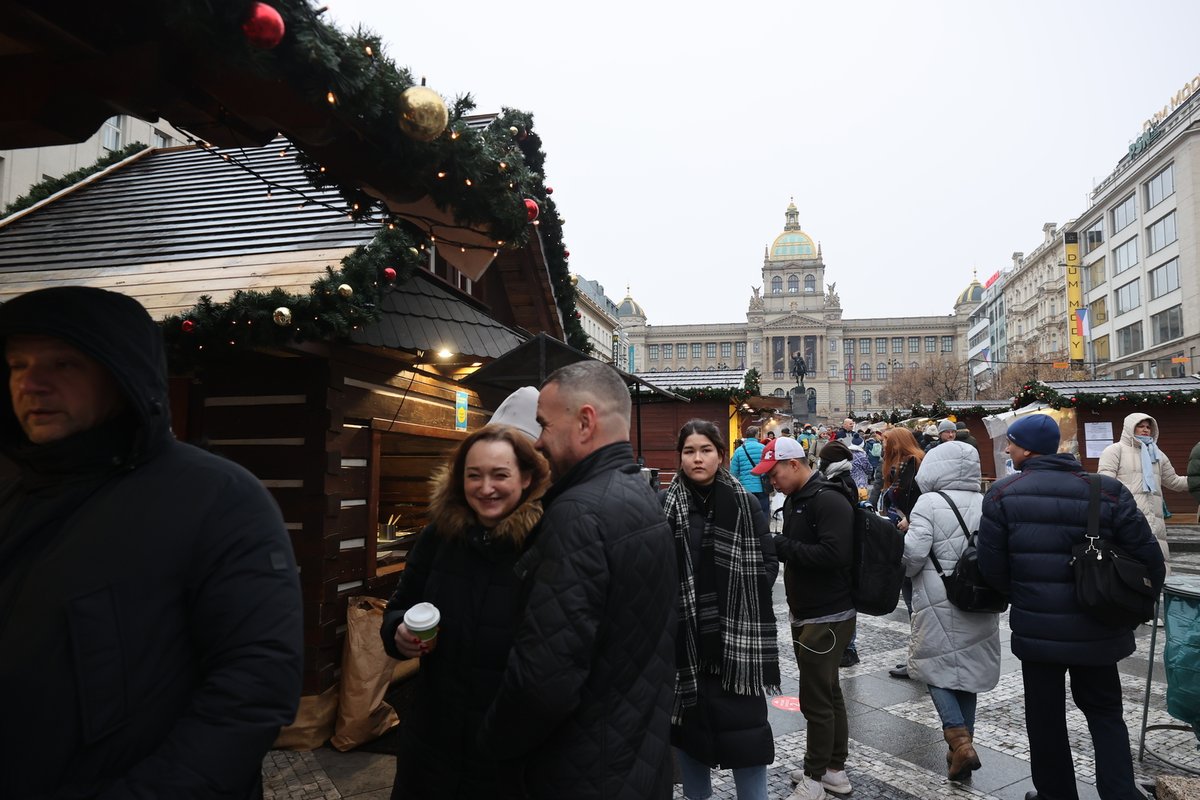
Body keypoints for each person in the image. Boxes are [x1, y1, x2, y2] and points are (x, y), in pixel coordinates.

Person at [0, 286, 303, 798]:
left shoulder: (219, 498)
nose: (31, 383)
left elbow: (255, 683)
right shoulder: (9, 484)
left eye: (64, 364)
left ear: (121, 375)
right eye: (16, 364)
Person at [478, 360, 677, 799]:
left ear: (585, 422)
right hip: (636, 758)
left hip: (579, 770)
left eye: (546, 424)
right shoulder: (643, 498)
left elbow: (543, 682)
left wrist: (490, 743)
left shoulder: (578, 513)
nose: (541, 440)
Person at [976, 414, 1165, 800]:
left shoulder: (1003, 494)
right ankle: (1119, 793)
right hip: (1100, 624)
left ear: (1027, 448)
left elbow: (991, 568)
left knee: (1045, 719)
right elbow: (1150, 560)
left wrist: (1026, 596)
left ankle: (1055, 794)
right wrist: (1129, 605)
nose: (1007, 449)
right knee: (1105, 713)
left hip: (1039, 630)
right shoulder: (1106, 490)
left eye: (1010, 443)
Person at [380, 393, 550, 799]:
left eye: (500, 475)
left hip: (507, 753)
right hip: (431, 741)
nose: (485, 488)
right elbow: (399, 607)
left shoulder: (550, 542)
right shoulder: (439, 534)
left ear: (527, 477)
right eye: (474, 475)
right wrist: (399, 633)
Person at [664, 420, 780, 799]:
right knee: (692, 745)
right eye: (689, 451)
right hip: (686, 648)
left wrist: (736, 597)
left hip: (737, 649)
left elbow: (768, 563)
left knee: (747, 745)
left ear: (720, 455)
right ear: (680, 457)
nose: (697, 458)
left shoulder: (745, 503)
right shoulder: (665, 506)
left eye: (705, 450)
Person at [752, 437, 856, 799]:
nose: (771, 481)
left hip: (826, 615)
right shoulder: (802, 498)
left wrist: (780, 546)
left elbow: (834, 553)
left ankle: (815, 778)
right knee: (829, 693)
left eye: (774, 473)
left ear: (794, 464)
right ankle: (834, 770)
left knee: (816, 700)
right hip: (814, 612)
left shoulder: (825, 499)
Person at [900, 441, 1000, 782]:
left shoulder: (928, 502)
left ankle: (959, 742)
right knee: (967, 675)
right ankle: (960, 751)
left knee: (933, 670)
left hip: (938, 597)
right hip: (980, 598)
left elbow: (913, 557)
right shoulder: (986, 502)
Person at [1097, 413, 1189, 570]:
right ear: (1130, 427)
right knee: (1129, 569)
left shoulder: (1158, 454)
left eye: (1148, 427)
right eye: (1141, 426)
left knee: (1157, 570)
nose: (1146, 430)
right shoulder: (1114, 451)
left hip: (1155, 519)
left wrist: (1195, 480)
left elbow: (1174, 481)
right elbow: (1105, 485)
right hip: (1127, 518)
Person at [880, 426, 926, 678]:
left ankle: (918, 659)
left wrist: (911, 517)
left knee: (915, 600)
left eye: (887, 440)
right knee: (909, 598)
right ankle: (915, 657)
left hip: (915, 536)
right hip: (900, 535)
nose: (883, 444)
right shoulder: (893, 466)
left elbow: (925, 498)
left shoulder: (916, 463)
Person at [815, 440, 865, 669]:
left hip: (844, 553)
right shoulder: (843, 480)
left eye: (822, 460)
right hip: (847, 550)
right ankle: (846, 647)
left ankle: (849, 648)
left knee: (846, 600)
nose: (819, 464)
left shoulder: (841, 483)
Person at [731, 424, 769, 513]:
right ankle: (763, 527)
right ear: (756, 435)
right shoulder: (763, 448)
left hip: (745, 489)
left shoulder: (739, 451)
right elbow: (768, 468)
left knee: (747, 514)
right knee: (763, 513)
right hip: (761, 488)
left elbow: (733, 473)